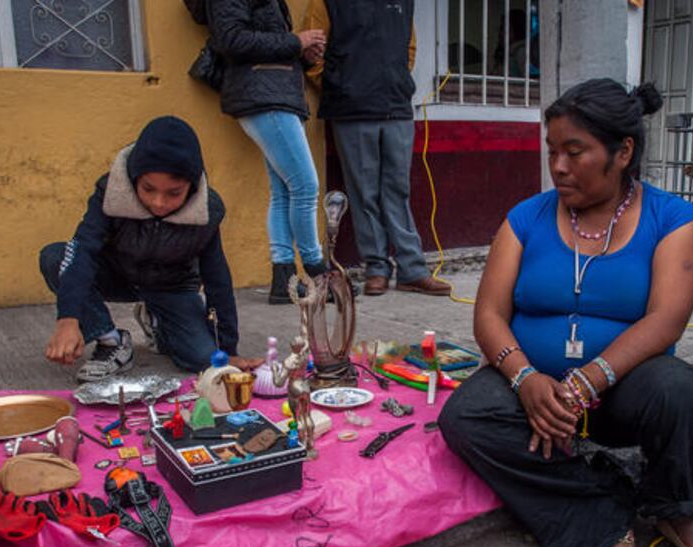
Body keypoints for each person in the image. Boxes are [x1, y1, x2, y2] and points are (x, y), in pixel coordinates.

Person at [438, 79, 693, 547]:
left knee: (680, 391)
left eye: (574, 152)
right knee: (466, 419)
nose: (557, 166)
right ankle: (597, 508)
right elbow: (488, 314)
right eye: (553, 151)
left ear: (622, 152)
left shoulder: (673, 219)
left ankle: (679, 511)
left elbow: (667, 320)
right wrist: (526, 381)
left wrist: (587, 381)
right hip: (533, 389)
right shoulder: (525, 218)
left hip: (620, 395)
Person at [40, 115, 259, 382]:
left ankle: (158, 324)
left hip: (173, 286)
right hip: (117, 274)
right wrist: (69, 318)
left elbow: (218, 280)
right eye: (148, 189)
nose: (159, 202)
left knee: (203, 359)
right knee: (56, 257)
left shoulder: (207, 211)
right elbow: (83, 251)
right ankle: (111, 341)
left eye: (174, 193)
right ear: (134, 179)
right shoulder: (110, 193)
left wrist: (226, 350)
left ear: (191, 188)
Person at [302, 0, 450, 297]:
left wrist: (394, 81)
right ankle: (377, 268)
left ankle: (413, 270)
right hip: (351, 110)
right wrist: (339, 86)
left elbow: (408, 48)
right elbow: (311, 50)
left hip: (395, 105)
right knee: (364, 193)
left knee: (398, 190)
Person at [207, 0, 334, 305]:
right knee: (305, 186)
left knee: (284, 192)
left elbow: (259, 42)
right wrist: (296, 41)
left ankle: (284, 280)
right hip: (263, 95)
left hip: (271, 92)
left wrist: (300, 54)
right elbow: (231, 39)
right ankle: (318, 274)